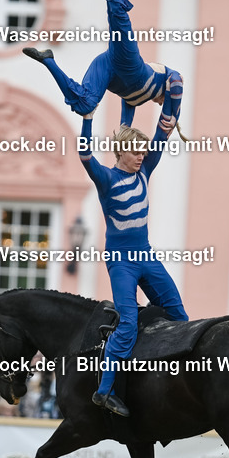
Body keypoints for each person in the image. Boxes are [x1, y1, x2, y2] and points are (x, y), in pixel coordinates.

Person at [78, 115, 187, 418]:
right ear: (121, 152)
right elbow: (84, 154)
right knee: (126, 323)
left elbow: (162, 136)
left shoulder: (144, 170)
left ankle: (168, 379)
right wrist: (87, 118)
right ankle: (105, 391)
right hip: (121, 262)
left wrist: (171, 104)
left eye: (143, 151)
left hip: (145, 255)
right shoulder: (106, 178)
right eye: (136, 151)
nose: (142, 155)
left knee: (179, 314)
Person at [23, 0, 183, 130]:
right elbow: (177, 80)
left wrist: (123, 140)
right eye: (162, 102)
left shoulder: (135, 101)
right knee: (117, 12)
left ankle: (48, 60)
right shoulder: (170, 81)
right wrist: (173, 114)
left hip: (107, 70)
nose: (160, 103)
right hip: (129, 63)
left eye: (161, 104)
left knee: (85, 105)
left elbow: (125, 126)